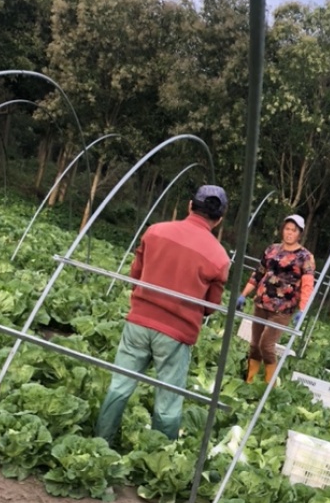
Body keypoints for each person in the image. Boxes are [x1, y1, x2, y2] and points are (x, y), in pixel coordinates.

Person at [94, 184, 230, 445]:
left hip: (139, 321)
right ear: (219, 219)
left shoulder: (155, 231)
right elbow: (210, 307)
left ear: (190, 206)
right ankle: (159, 457)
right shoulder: (219, 257)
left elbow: (136, 275)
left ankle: (101, 442)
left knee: (120, 385)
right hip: (176, 334)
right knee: (168, 399)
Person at [236, 213, 315, 383]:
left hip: (282, 308)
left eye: (293, 230)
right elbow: (258, 274)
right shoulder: (272, 249)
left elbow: (308, 284)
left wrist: (303, 309)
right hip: (262, 303)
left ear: (299, 233)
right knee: (255, 345)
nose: (289, 233)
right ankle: (249, 380)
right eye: (287, 229)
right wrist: (243, 295)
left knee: (267, 345)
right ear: (282, 230)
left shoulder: (305, 257)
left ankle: (268, 384)